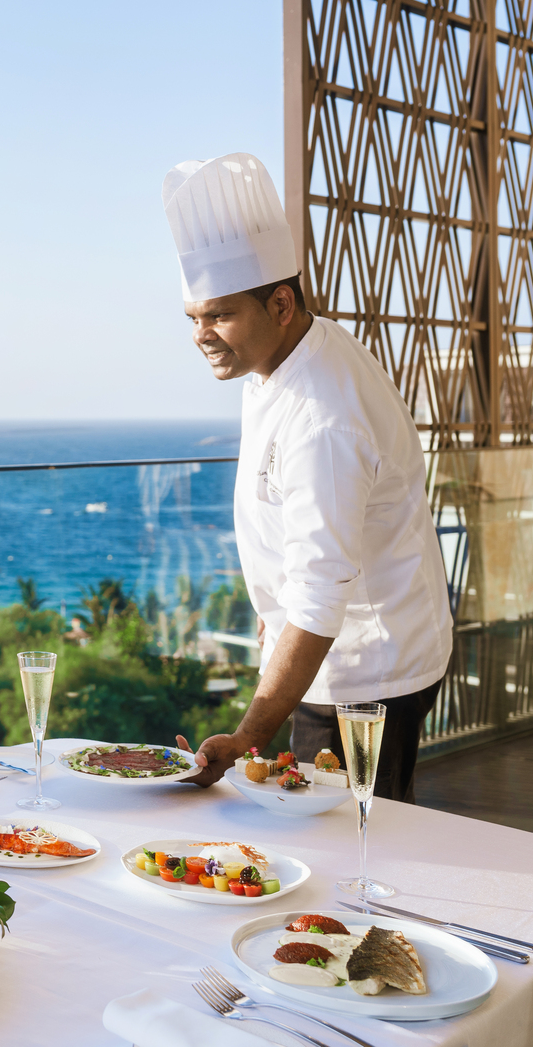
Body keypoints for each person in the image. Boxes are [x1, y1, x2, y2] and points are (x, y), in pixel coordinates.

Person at [161, 153, 453, 802]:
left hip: (364, 669)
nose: (202, 335)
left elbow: (321, 600)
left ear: (282, 303)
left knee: (349, 845)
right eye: (193, 318)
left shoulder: (326, 417)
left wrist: (245, 737)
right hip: (330, 653)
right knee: (327, 836)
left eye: (219, 316)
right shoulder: (276, 357)